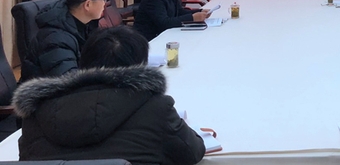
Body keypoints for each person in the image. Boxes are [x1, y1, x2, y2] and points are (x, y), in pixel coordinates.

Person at [14, 25, 206, 165]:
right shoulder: (156, 107)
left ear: (84, 61)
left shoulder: (36, 111)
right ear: (140, 65)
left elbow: (26, 158)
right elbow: (192, 153)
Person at [21, 0, 106, 81]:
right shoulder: (56, 39)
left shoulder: (86, 25)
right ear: (87, 4)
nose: (105, 4)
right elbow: (68, 82)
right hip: (44, 90)